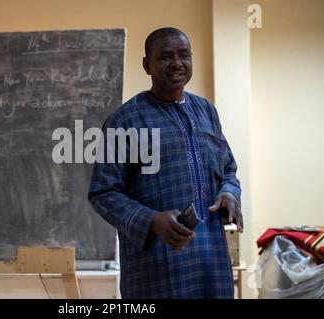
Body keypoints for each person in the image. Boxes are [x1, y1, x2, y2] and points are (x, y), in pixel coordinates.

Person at [88, 27, 243, 298]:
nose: (177, 63)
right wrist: (152, 220)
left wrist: (229, 192)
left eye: (184, 55)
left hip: (212, 265)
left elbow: (228, 168)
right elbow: (103, 193)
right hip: (158, 271)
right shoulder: (125, 121)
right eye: (165, 57)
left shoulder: (206, 111)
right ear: (147, 65)